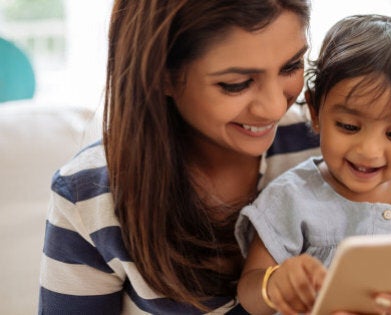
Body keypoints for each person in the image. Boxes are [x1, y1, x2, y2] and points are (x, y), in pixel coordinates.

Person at [38, 0, 319, 313]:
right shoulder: (88, 195)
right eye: (236, 84)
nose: (274, 108)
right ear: (162, 75)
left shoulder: (327, 149)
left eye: (292, 66)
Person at [236, 14, 391, 315]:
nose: (369, 151)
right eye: (349, 127)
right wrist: (276, 284)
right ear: (315, 112)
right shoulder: (290, 198)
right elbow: (248, 292)